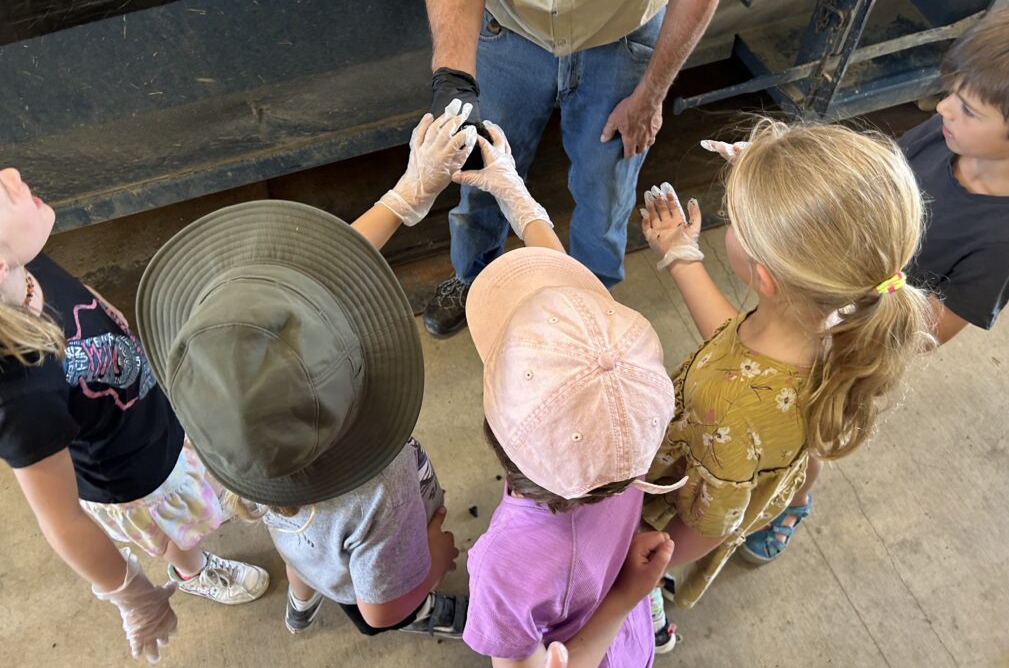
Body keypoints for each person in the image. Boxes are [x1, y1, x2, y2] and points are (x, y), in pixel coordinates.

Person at [135, 103, 478, 639]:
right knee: (390, 595)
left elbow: (320, 274)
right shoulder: (383, 487)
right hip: (364, 578)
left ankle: (299, 607)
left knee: (303, 562)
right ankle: (431, 614)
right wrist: (435, 555)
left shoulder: (222, 427)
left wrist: (408, 194)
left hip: (298, 541)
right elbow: (380, 610)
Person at [391, 0, 765, 338]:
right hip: (509, 26)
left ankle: (591, 309)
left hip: (624, 30)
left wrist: (651, 93)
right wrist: (454, 81)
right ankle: (474, 280)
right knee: (480, 176)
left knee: (604, 196)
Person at [740, 3, 1009, 564]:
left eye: (967, 107)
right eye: (952, 92)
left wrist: (844, 331)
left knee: (805, 428)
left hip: (863, 343)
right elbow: (873, 178)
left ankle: (794, 497)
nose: (943, 106)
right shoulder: (949, 137)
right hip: (825, 292)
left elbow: (936, 328)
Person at [636, 120, 933, 631]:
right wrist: (685, 257)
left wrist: (650, 562)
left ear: (766, 278)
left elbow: (711, 521)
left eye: (736, 221)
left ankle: (649, 599)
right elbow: (736, 340)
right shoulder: (845, 314)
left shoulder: (729, 402)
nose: (727, 225)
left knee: (638, 562)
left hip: (688, 496)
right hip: (747, 458)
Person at [0, 169, 268, 664]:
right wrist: (130, 593)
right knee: (178, 534)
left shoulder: (24, 263)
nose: (12, 175)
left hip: (148, 409)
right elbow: (60, 521)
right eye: (0, 189)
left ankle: (206, 514)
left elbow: (87, 304)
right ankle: (192, 571)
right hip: (135, 481)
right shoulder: (20, 394)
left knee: (199, 480)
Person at [451, 121, 687, 667]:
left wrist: (627, 592)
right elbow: (563, 279)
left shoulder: (504, 565)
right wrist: (515, 192)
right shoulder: (620, 448)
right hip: (625, 627)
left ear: (496, 424)